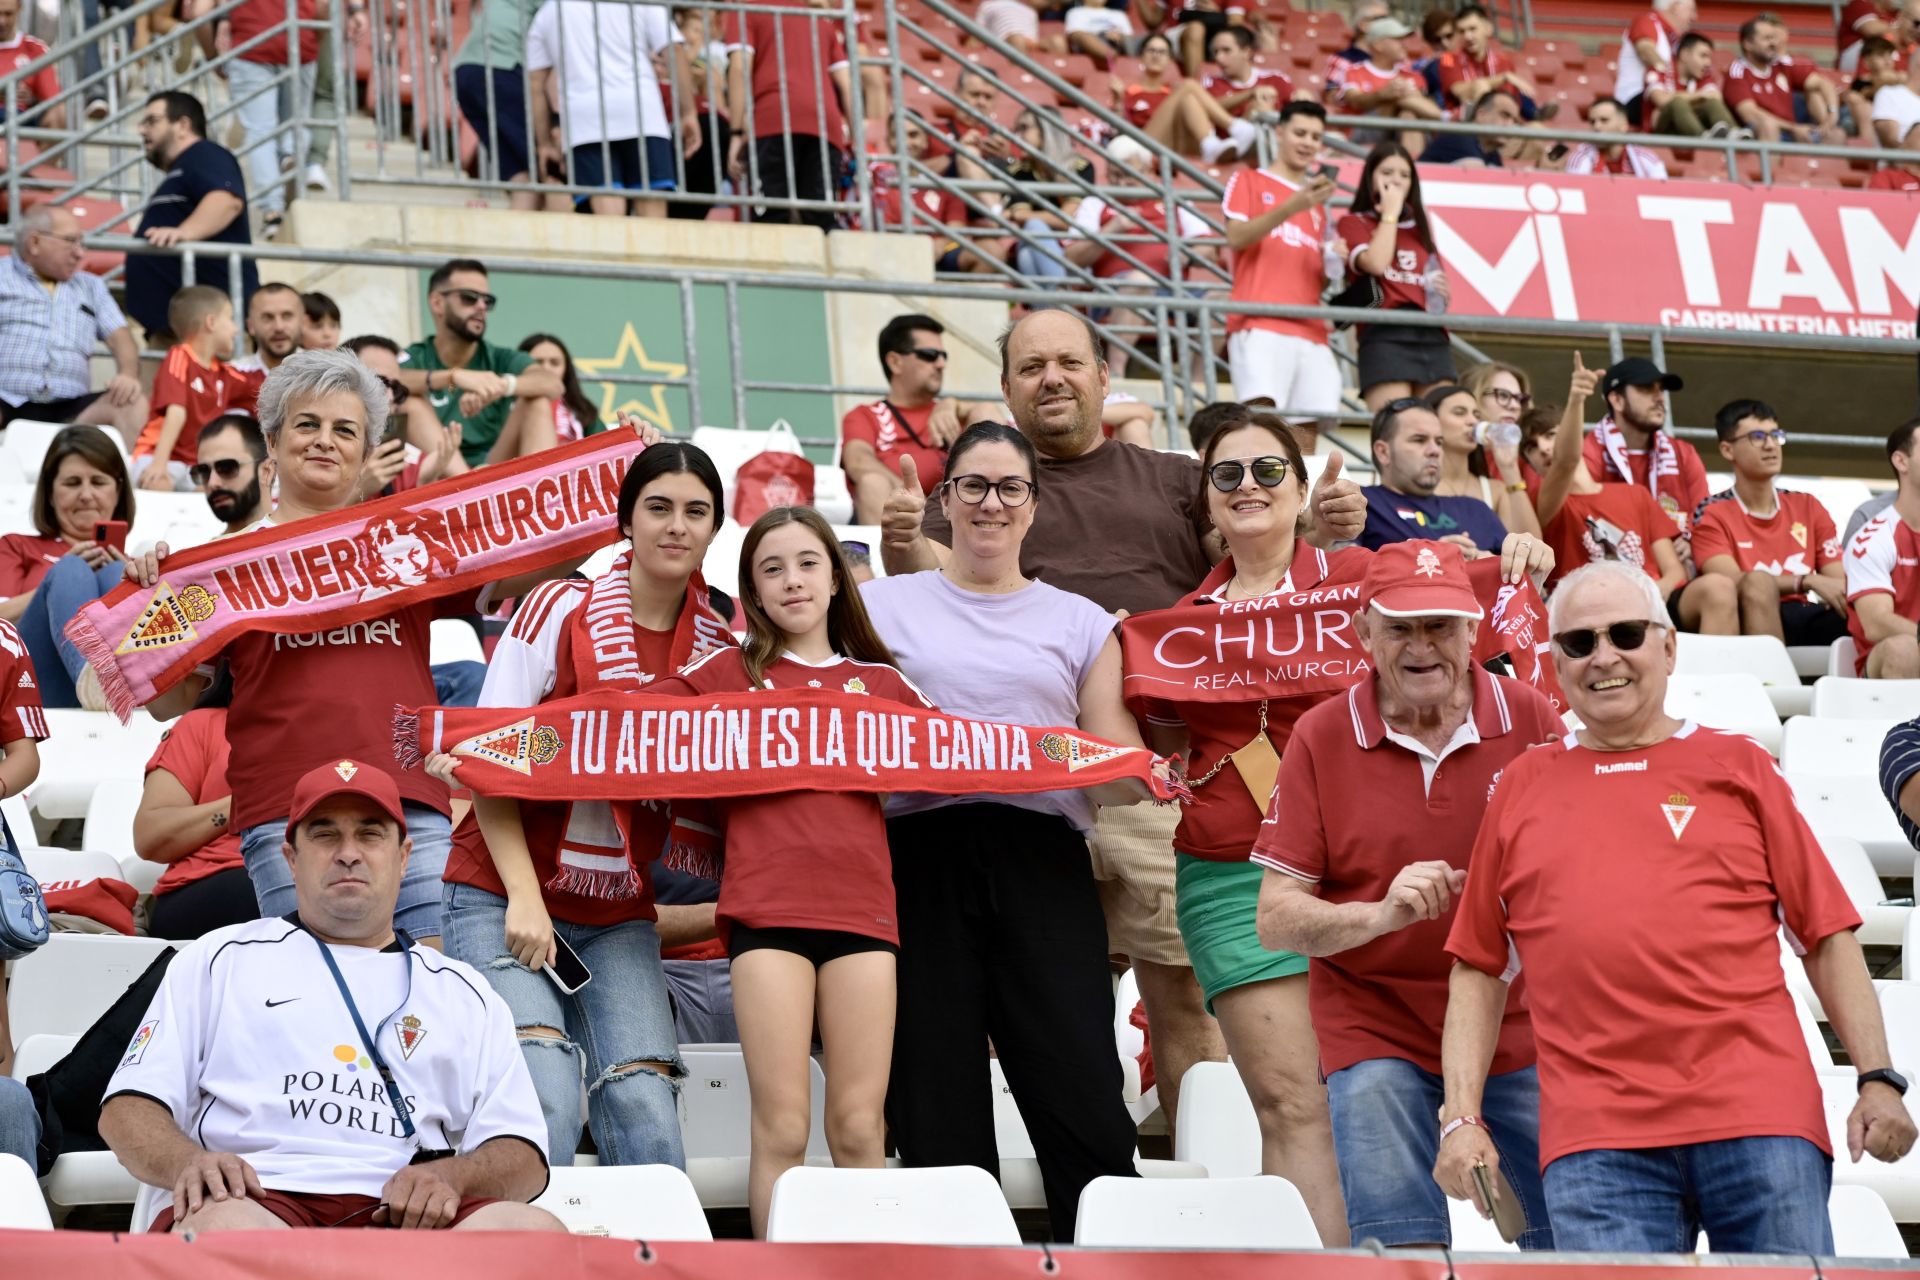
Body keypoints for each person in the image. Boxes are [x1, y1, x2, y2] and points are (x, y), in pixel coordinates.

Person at [881, 312, 1368, 1145]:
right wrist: (898, 546)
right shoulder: (973, 486)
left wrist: (1330, 522)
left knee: (1180, 995)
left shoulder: (1177, 476)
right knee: (1058, 1008)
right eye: (1032, 366)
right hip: (1011, 793)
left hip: (1151, 776)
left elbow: (1258, 550)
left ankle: (1199, 1190)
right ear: (1006, 388)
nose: (1053, 378)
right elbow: (933, 600)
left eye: (1071, 361)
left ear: (1107, 379)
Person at [1136, 413, 1553, 1247]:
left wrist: (1525, 551)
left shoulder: (1363, 575)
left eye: (1266, 469)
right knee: (1296, 1102)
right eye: (1226, 476)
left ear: (1301, 488)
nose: (1247, 486)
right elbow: (1164, 738)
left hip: (1371, 869)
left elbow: (1463, 595)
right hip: (1237, 874)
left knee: (1349, 1093)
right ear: (1206, 504)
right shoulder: (1176, 621)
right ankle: (1340, 1267)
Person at [1437, 560, 1917, 1252]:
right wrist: (1461, 1118)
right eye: (1579, 642)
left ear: (1667, 647)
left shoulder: (1742, 767)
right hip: (1595, 1138)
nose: (1604, 657)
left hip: (1760, 1119)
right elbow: (1478, 968)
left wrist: (1877, 1077)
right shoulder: (1520, 786)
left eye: (1626, 634)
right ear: (1556, 662)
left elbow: (1826, 935)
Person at [131, 350, 583, 941]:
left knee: (428, 996)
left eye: (345, 430)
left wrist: (624, 483)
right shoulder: (220, 567)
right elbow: (164, 704)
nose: (325, 441)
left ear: (368, 453)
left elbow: (550, 558)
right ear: (271, 441)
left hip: (410, 807)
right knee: (320, 1004)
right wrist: (153, 603)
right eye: (307, 425)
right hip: (287, 814)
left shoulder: (406, 545)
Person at [862, 421, 1155, 1241]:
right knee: (935, 1098)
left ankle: (1108, 1256)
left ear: (1034, 504)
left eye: (1010, 488)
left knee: (1083, 1093)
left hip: (1043, 858)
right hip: (916, 855)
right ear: (943, 500)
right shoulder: (878, 609)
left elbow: (1122, 765)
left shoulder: (1083, 621)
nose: (991, 504)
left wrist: (1168, 744)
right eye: (973, 486)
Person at [99, 759, 566, 1235]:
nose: (349, 853)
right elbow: (127, 1110)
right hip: (259, 1196)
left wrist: (455, 1175)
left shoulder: (463, 990)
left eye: (370, 834)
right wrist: (188, 1163)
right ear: (290, 858)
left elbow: (523, 1153)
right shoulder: (219, 958)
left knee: (535, 1235)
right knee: (221, 1229)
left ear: (404, 856)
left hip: (414, 1214)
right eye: (325, 835)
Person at [426, 444, 729, 1176]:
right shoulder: (558, 606)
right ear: (626, 520)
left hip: (617, 910)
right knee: (546, 1089)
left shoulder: (724, 643)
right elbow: (491, 758)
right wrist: (525, 897)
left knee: (645, 1104)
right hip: (500, 893)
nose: (676, 526)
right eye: (658, 507)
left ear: (716, 528)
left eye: (696, 511)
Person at [1254, 539, 1559, 1249]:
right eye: (1400, 627)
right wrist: (1381, 914)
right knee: (1400, 1249)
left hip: (1518, 1022)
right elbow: (1274, 919)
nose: (1423, 646)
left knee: (1574, 1243)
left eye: (1441, 626)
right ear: (1363, 632)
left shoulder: (1533, 720)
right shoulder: (1320, 736)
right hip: (1375, 1020)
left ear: (1474, 628)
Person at [652, 508, 932, 1237]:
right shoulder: (716, 680)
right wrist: (495, 746)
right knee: (780, 1126)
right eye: (771, 568)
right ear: (750, 590)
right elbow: (616, 729)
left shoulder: (886, 686)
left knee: (860, 1129)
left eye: (808, 562)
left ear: (836, 579)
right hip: (766, 921)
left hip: (865, 922)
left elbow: (977, 752)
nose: (792, 580)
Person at [1223, 101, 1342, 433]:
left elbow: (1313, 281)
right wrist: (1291, 206)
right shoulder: (1248, 180)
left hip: (1311, 330)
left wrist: (1333, 259)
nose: (1308, 143)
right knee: (1261, 429)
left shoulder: (1320, 208)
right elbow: (1236, 237)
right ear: (1279, 132)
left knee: (1307, 440)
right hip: (1258, 321)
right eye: (1300, 133)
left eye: (1316, 137)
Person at [1691, 399, 1848, 647]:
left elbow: (1838, 581)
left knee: (1866, 608)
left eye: (1776, 435)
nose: (1770, 445)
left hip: (1806, 614)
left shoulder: (1808, 505)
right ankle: (1771, 684)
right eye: (1757, 436)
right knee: (1757, 584)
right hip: (1748, 618)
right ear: (1727, 450)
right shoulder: (1711, 512)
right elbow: (1730, 580)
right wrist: (1805, 580)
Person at [1534, 355, 1690, 599]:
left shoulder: (1635, 493)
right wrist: (1576, 399)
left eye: (1553, 434)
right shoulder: (1546, 506)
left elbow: (1674, 571)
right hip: (1591, 609)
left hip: (1651, 600)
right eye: (1531, 447)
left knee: (1716, 589)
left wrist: (1657, 592)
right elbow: (1566, 461)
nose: (1544, 448)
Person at [0, 426, 133, 708]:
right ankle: (98, 678)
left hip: (117, 700)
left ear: (118, 491)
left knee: (114, 574)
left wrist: (135, 586)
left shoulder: (131, 564)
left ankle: (116, 683)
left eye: (98, 482)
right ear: (49, 493)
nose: (86, 495)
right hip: (29, 686)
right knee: (72, 570)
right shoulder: (17, 546)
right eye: (72, 483)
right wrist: (55, 580)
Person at [529, 0, 693, 220]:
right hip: (641, 112)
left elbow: (535, 82)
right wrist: (688, 113)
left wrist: (544, 143)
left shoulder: (549, 11)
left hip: (585, 120)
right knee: (652, 212)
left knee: (608, 216)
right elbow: (673, 50)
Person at [396, 260, 563, 469]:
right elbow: (385, 382)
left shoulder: (498, 357)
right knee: (408, 401)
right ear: (437, 303)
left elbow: (552, 383)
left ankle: (538, 493)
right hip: (436, 476)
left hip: (492, 468)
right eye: (469, 298)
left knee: (536, 400)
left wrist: (499, 386)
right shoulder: (417, 356)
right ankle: (468, 486)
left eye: (487, 301)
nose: (481, 307)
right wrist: (452, 377)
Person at [0, 205, 148, 438]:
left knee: (131, 402)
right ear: (35, 243)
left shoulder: (91, 285)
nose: (80, 253)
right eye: (71, 241)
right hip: (6, 398)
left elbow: (121, 337)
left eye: (82, 243)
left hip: (72, 406)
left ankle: (128, 474)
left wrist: (128, 375)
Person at [127, 92, 258, 341]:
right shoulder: (187, 166)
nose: (142, 130)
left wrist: (184, 232)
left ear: (183, 125)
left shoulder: (205, 154)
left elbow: (226, 201)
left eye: (152, 121)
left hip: (209, 333)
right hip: (180, 332)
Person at [1337, 141, 1455, 412]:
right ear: (1370, 177)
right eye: (1387, 172)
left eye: (1404, 175)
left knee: (1440, 423)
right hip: (1384, 333)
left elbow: (1433, 281)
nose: (1396, 181)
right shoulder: (1354, 222)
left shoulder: (1420, 229)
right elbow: (1376, 263)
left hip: (1430, 332)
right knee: (1396, 423)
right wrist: (1389, 213)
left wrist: (1442, 291)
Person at [840, 315, 992, 523]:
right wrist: (913, 498)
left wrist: (953, 404)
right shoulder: (865, 415)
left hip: (957, 519)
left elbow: (994, 426)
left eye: (943, 356)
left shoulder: (953, 412)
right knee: (872, 482)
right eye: (929, 355)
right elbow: (858, 461)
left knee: (985, 411)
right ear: (895, 362)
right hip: (901, 520)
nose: (941, 364)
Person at [136, 684, 258, 940]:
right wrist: (246, 802)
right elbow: (150, 837)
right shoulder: (204, 724)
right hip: (214, 882)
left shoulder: (340, 729)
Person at [725, 0, 852, 234]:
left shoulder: (746, 8)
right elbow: (846, 84)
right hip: (825, 124)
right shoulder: (819, 18)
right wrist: (858, 145)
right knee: (822, 220)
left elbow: (740, 68)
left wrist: (737, 131)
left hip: (773, 119)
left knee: (772, 217)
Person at [1581, 356, 1710, 571]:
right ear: (1617, 400)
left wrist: (1690, 539)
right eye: (1646, 388)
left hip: (1675, 571)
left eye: (1660, 389)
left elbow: (1705, 514)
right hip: (1614, 568)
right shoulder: (1590, 451)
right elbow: (1580, 515)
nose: (1659, 397)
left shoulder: (1683, 453)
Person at [133, 286, 261, 492]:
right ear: (211, 322)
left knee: (216, 490)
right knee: (158, 484)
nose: (236, 329)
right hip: (158, 455)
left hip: (197, 465)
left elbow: (262, 391)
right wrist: (159, 464)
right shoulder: (179, 356)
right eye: (230, 319)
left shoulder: (225, 374)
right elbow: (176, 413)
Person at [227, 0, 323, 239]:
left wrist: (211, 54)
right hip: (299, 38)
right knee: (297, 121)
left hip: (252, 42)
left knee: (261, 132)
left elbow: (199, 9)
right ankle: (290, 157)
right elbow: (323, 7)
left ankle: (272, 211)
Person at [1362, 399, 1509, 554]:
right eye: (1419, 440)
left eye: (1439, 442)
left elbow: (1517, 575)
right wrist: (1433, 557)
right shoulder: (1362, 504)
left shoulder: (1477, 510)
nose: (1435, 450)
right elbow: (1343, 569)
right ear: (1383, 452)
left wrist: (1487, 560)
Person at [1845, 417, 1920, 678]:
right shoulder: (1873, 537)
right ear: (1901, 461)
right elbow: (1877, 623)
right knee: (1904, 649)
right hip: (1885, 665)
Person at [452, 0, 542, 211]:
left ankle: (519, 237)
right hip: (501, 66)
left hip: (467, 69)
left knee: (522, 172)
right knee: (547, 165)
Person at [1118, 34, 1259, 163]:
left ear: (1170, 59)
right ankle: (1235, 128)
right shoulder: (1128, 92)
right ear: (1141, 56)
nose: (1156, 56)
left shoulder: (1174, 91)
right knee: (1189, 85)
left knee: (1189, 98)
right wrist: (1118, 103)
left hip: (1175, 145)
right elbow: (1119, 130)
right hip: (1144, 146)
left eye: (1162, 52)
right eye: (1151, 50)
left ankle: (1210, 144)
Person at [1427, 382, 1542, 540]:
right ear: (1431, 421)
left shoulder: (1495, 491)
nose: (1473, 421)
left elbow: (1531, 546)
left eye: (1477, 415)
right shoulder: (1414, 486)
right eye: (1459, 413)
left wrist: (1509, 470)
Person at [346, 334, 460, 492]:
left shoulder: (395, 453)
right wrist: (360, 490)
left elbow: (420, 474)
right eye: (379, 382)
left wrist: (431, 473)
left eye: (396, 387)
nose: (390, 397)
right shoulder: (321, 448)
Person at [1328, 17, 1443, 153]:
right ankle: (1446, 118)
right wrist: (1384, 95)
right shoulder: (1353, 71)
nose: (1404, 44)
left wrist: (1397, 95)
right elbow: (1355, 101)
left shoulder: (1414, 75)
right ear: (1378, 45)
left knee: (1408, 114)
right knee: (1400, 103)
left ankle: (1410, 165)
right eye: (1397, 39)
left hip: (1407, 132)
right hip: (1362, 136)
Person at [1725, 13, 1842, 145]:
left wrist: (1832, 116)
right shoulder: (1737, 72)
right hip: (1759, 135)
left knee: (1835, 135)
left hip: (1791, 132)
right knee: (1769, 126)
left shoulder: (1780, 65)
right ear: (1748, 44)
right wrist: (1794, 128)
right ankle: (1768, 166)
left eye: (1774, 38)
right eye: (1767, 39)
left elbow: (1823, 83)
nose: (1774, 43)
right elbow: (1750, 113)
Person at [1437, 5, 1537, 114]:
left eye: (1472, 29)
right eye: (1462, 31)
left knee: (1535, 126)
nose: (1467, 36)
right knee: (1481, 86)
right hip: (1462, 125)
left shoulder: (1503, 62)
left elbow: (1507, 100)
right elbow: (1460, 91)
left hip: (1502, 122)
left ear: (1488, 29)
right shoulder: (1449, 59)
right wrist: (1504, 77)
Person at [1644, 32, 1739, 137]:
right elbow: (1661, 100)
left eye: (1709, 58)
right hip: (1660, 134)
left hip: (1690, 127)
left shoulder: (1704, 75)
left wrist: (1685, 97)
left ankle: (1736, 135)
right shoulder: (1660, 70)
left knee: (1712, 103)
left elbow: (1716, 98)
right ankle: (1701, 138)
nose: (1708, 63)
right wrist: (1700, 96)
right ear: (1684, 55)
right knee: (1677, 103)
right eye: (1703, 56)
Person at [1614, 0, 1694, 124]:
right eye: (1691, 10)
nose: (1694, 17)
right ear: (1675, 7)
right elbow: (1646, 51)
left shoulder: (1675, 38)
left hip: (1659, 98)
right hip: (1635, 99)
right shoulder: (1648, 21)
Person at [192, 413, 274, 534]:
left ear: (267, 471)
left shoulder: (302, 541)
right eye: (204, 472)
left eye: (226, 468)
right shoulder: (205, 552)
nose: (212, 483)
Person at [517, 333, 604, 445]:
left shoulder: (584, 411)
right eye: (537, 362)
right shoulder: (503, 407)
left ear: (566, 370)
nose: (546, 368)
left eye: (555, 363)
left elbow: (605, 448)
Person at [1564, 97, 1670, 177]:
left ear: (1624, 125)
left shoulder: (1645, 156)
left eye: (1604, 120)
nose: (1596, 126)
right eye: (1592, 122)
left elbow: (1663, 195)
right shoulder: (1580, 156)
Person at [1418, 87, 1522, 167]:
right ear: (1481, 114)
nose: (1510, 125)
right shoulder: (1459, 138)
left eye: (1514, 120)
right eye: (1505, 115)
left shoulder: (1492, 154)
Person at [0, 0, 63, 129]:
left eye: (8, 14)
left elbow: (53, 99)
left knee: (60, 114)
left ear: (19, 9)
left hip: (21, 119)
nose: (2, 21)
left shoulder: (34, 49)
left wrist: (33, 99)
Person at [230, 282, 305, 376]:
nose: (279, 327)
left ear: (303, 322)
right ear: (250, 326)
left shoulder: (323, 374)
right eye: (268, 317)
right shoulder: (232, 376)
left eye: (287, 316)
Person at [1842, 0, 1896, 73]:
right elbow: (1871, 29)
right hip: (1855, 62)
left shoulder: (1893, 15)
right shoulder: (1859, 3)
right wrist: (1898, 28)